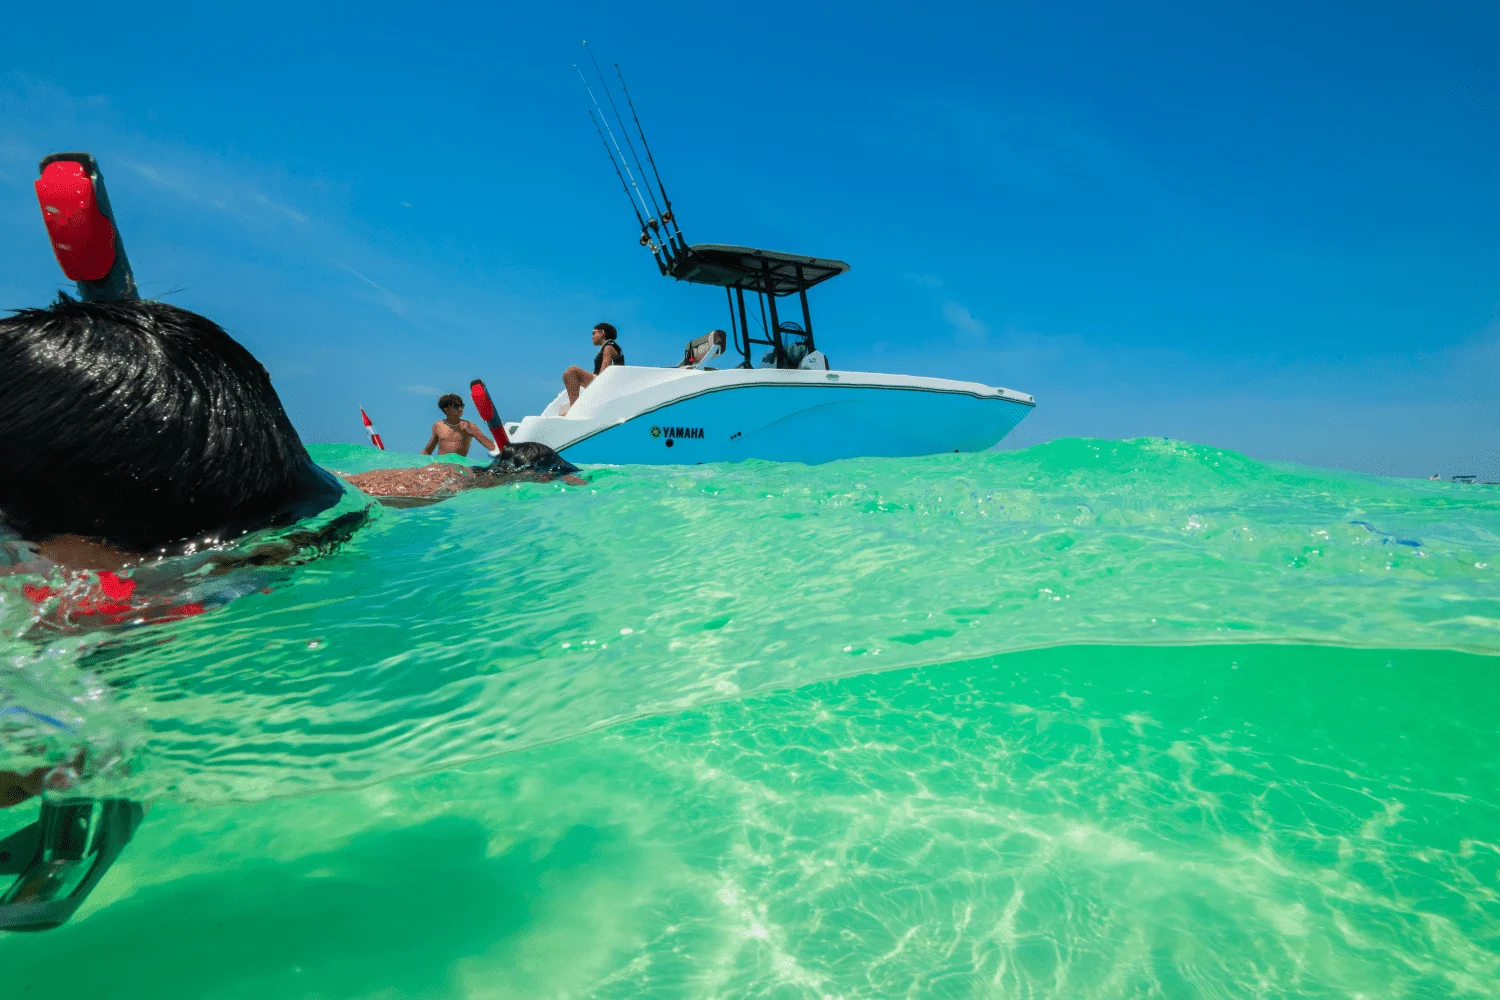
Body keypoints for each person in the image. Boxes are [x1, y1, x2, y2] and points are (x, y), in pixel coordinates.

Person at [561, 321, 624, 407]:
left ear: (602, 332)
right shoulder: (608, 347)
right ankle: (575, 405)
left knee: (571, 371)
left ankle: (574, 407)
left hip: (608, 385)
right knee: (567, 375)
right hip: (605, 383)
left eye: (594, 333)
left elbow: (604, 373)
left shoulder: (608, 347)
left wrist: (597, 384)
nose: (592, 337)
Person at [422, 394, 496, 457]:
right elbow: (427, 451)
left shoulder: (469, 426)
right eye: (456, 406)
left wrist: (499, 451)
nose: (460, 409)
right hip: (440, 465)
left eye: (461, 406)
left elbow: (491, 446)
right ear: (446, 409)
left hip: (458, 465)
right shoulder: (438, 426)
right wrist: (416, 463)